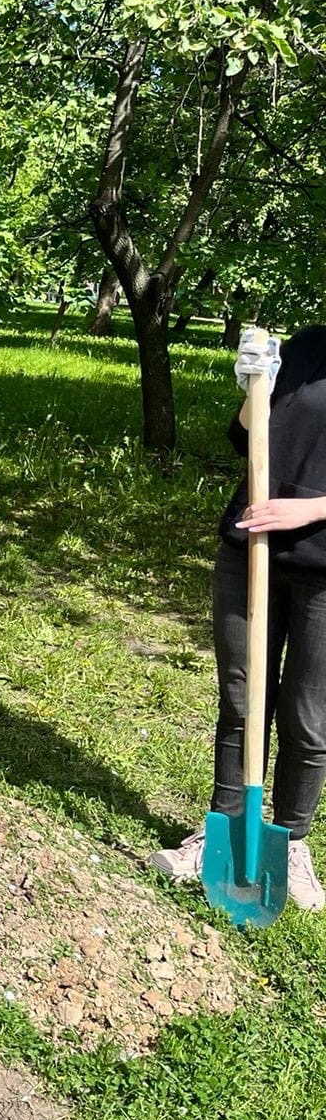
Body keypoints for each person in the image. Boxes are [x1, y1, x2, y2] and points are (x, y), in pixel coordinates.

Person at [148, 325, 326, 911]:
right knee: (243, 699)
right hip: (249, 550)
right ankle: (221, 829)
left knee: (308, 717)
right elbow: (244, 435)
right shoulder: (304, 346)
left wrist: (304, 509)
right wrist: (256, 382)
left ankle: (290, 842)